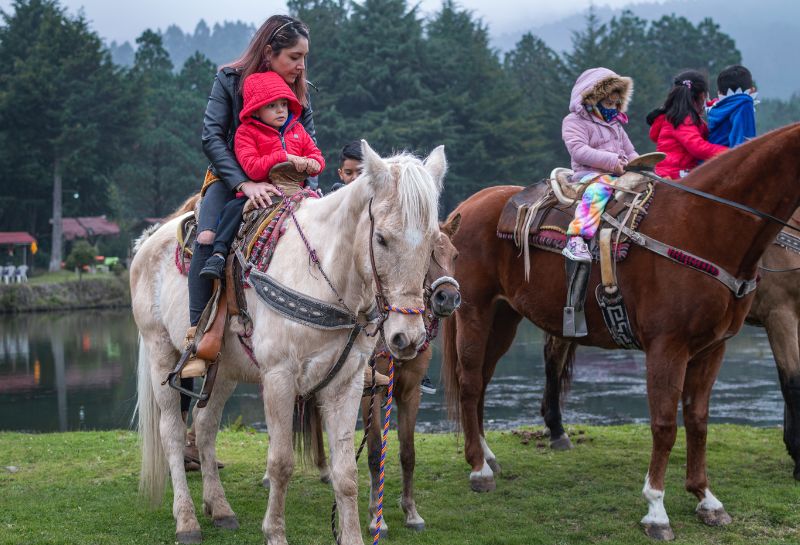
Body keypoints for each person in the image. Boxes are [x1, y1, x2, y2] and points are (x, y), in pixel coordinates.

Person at [183, 14, 315, 382]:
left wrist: (305, 178)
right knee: (208, 237)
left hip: (291, 182)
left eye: (304, 57)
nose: (301, 65)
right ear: (269, 52)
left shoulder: (300, 88)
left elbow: (310, 141)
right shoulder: (228, 80)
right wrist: (244, 184)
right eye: (294, 57)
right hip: (230, 180)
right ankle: (200, 338)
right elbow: (212, 138)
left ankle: (351, 344)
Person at [199, 71, 324, 280]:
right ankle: (219, 254)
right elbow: (252, 168)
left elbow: (318, 157)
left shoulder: (298, 130)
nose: (280, 110)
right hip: (261, 190)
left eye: (283, 104)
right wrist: (283, 157)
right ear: (256, 111)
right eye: (271, 106)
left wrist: (311, 163)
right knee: (233, 209)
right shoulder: (246, 133)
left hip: (297, 191)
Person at [561, 67, 638, 263]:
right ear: (592, 100)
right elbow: (578, 150)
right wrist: (613, 162)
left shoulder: (616, 125)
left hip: (617, 175)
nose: (612, 108)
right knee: (599, 190)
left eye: (615, 104)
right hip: (589, 175)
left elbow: (630, 151)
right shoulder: (573, 121)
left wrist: (639, 165)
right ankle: (576, 237)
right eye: (607, 103)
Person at [646, 70, 727, 180]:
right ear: (702, 95)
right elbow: (698, 148)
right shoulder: (683, 120)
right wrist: (730, 152)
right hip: (676, 176)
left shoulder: (673, 116)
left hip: (669, 173)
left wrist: (718, 104)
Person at [707, 65, 758, 148]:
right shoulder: (744, 103)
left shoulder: (716, 109)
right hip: (728, 159)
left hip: (710, 158)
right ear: (752, 90)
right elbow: (742, 144)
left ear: (720, 93)